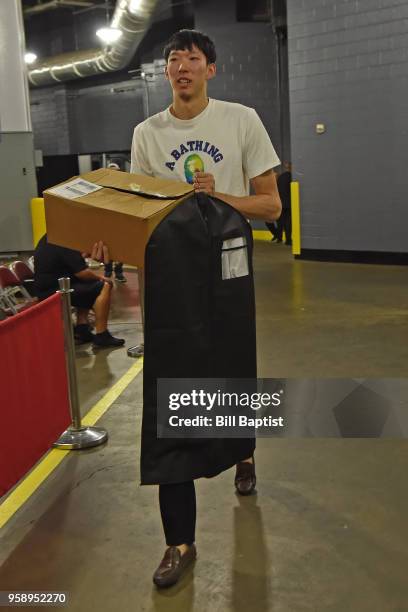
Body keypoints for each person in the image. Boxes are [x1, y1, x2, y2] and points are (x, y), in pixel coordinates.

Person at [130, 29, 282, 587]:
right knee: (170, 388)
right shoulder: (148, 133)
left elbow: (269, 204)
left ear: (210, 69)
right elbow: (139, 212)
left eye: (192, 59)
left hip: (229, 271)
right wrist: (113, 245)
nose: (181, 67)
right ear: (167, 73)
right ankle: (179, 540)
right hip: (172, 280)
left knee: (234, 367)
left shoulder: (241, 120)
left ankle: (243, 449)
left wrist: (215, 198)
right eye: (173, 60)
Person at [34, 234, 125, 348]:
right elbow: (82, 273)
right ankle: (102, 335)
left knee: (87, 286)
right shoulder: (63, 240)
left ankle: (82, 329)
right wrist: (102, 278)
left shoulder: (49, 237)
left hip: (46, 288)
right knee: (104, 285)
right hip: (55, 292)